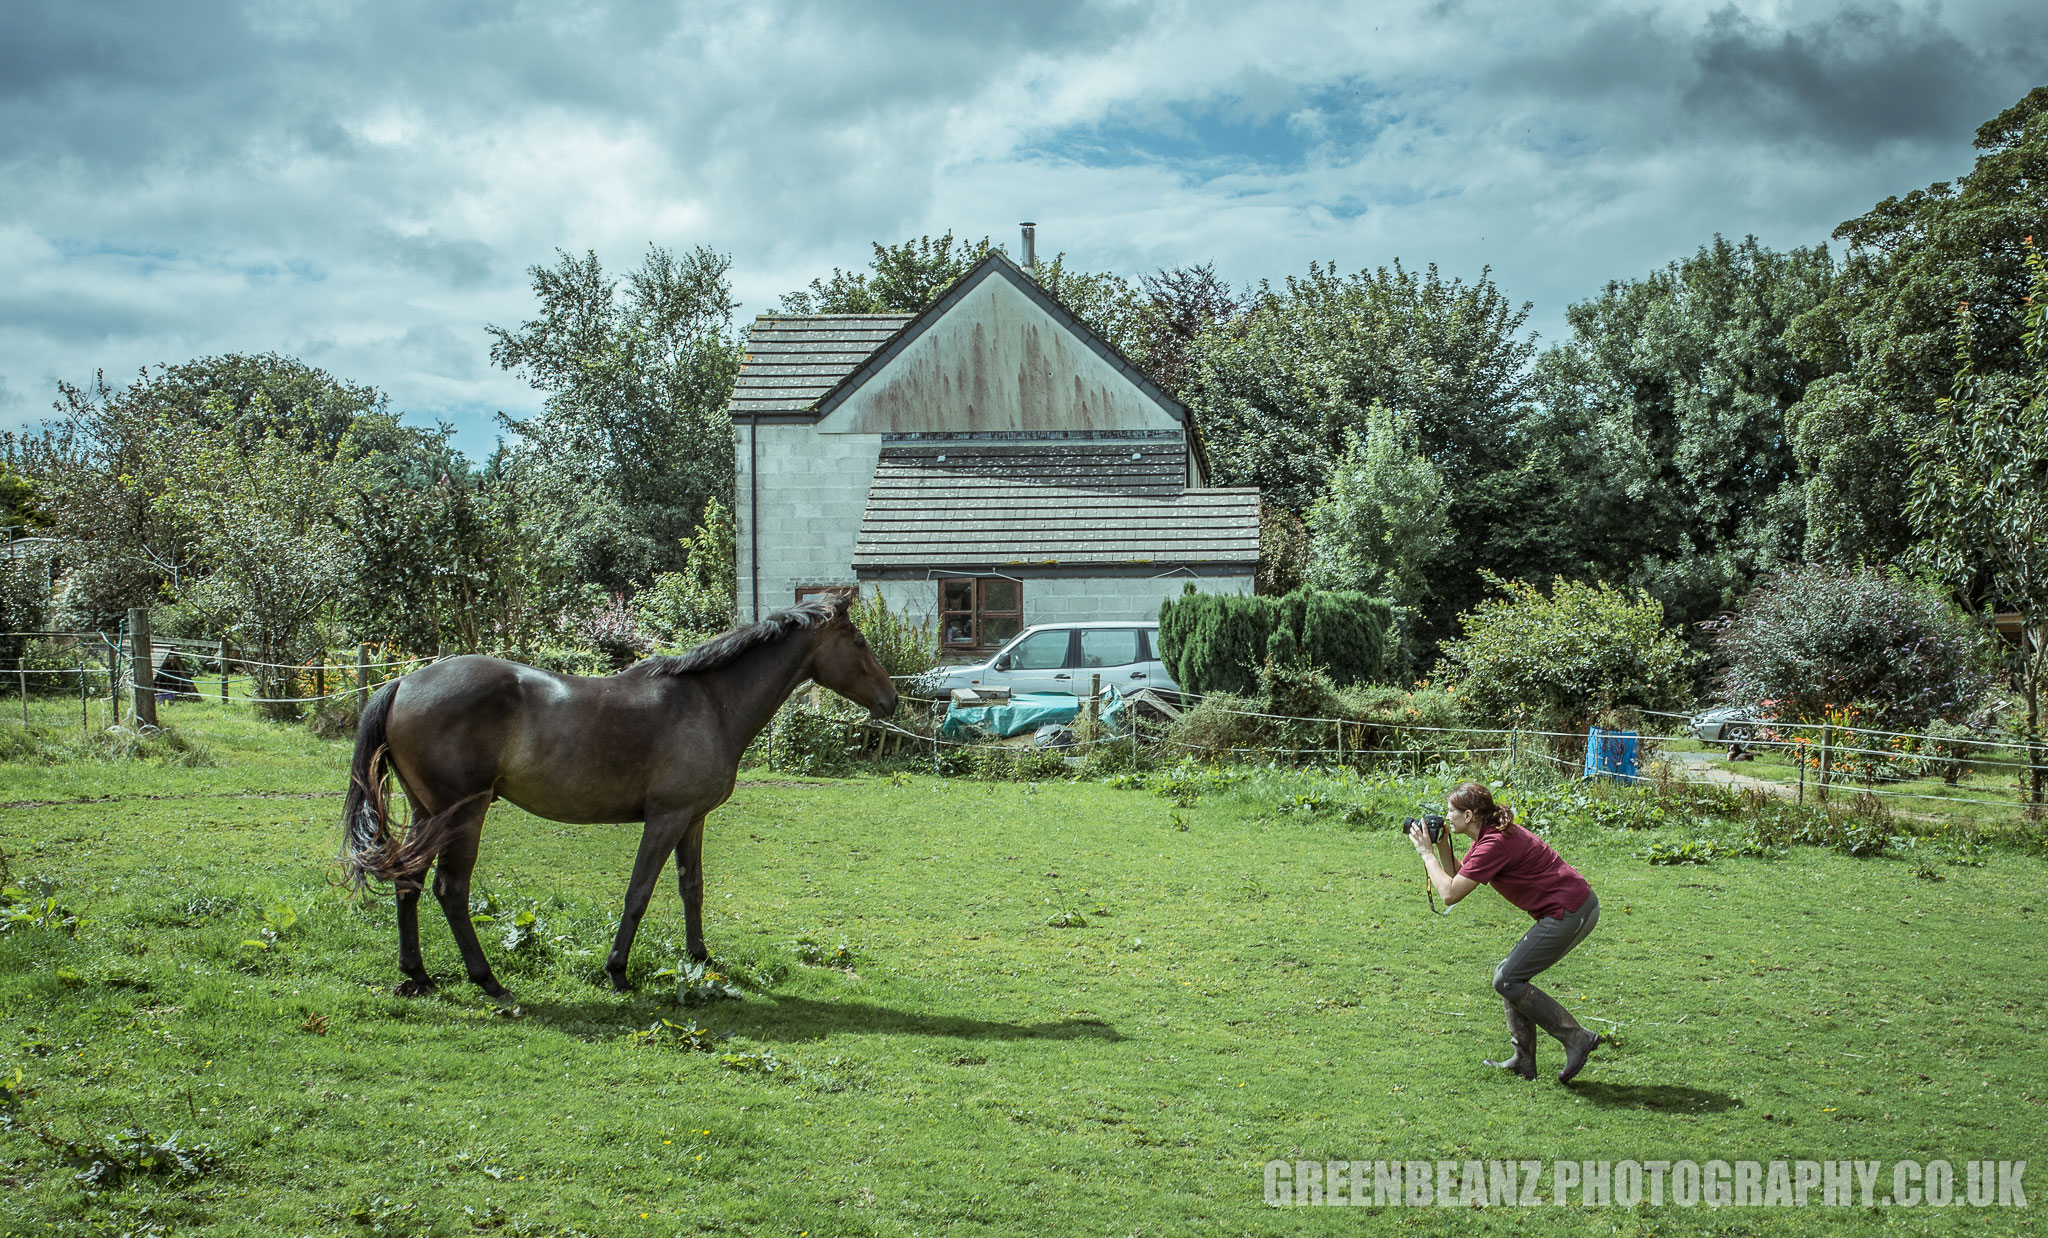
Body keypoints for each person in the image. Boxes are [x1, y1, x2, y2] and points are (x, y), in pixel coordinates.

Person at [1407, 782, 1603, 1084]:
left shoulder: (1493, 843)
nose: (1446, 817)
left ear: (1469, 815)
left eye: (1451, 812)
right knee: (1510, 976)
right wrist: (1444, 845)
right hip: (1568, 907)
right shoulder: (1489, 834)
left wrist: (1426, 854)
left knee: (1507, 978)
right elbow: (1461, 874)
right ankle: (1523, 1061)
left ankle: (1577, 1037)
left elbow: (1449, 893)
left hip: (1570, 911)